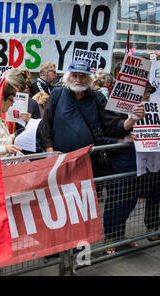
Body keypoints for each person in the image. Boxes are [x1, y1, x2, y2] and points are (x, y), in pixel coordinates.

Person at [38, 60, 145, 177]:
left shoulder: (97, 97)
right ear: (68, 77)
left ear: (89, 79)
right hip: (61, 161)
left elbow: (112, 125)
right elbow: (46, 125)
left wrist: (132, 119)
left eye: (83, 76)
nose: (78, 79)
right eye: (75, 75)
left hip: (88, 161)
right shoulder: (57, 94)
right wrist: (50, 152)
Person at [102, 82, 159, 253]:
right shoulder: (117, 110)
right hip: (120, 164)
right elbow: (104, 135)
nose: (147, 96)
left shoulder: (152, 110)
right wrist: (125, 138)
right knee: (117, 201)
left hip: (142, 164)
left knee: (131, 201)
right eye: (145, 92)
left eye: (149, 93)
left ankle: (119, 235)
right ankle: (110, 237)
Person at [0, 82, 24, 160]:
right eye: (11, 100)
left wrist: (15, 135)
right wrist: (5, 148)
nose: (11, 104)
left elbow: (2, 141)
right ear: (2, 99)